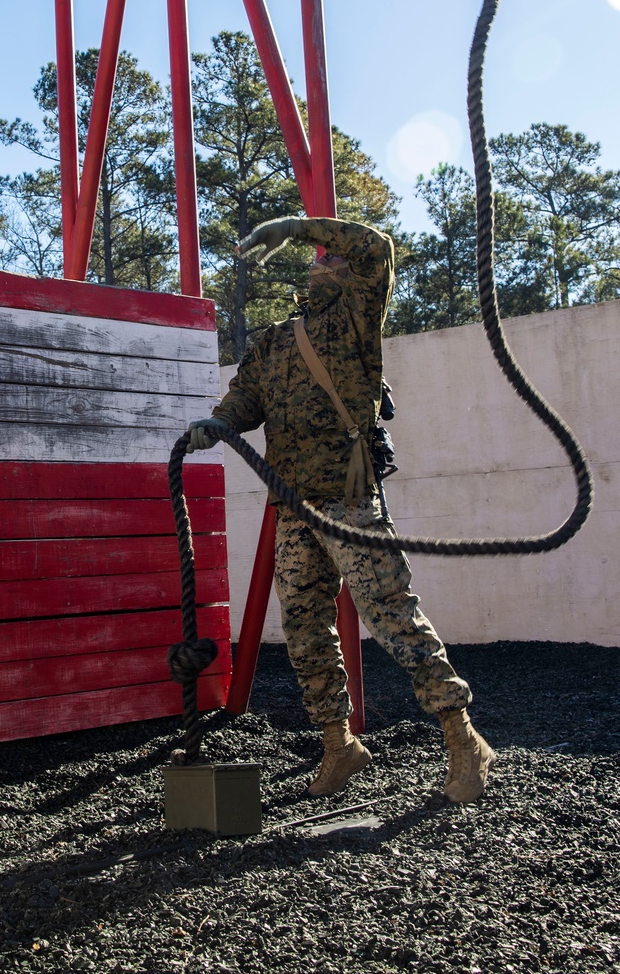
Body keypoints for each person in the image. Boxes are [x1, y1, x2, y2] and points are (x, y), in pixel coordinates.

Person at [187, 215, 494, 803]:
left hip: (348, 499)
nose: (323, 258)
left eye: (332, 254)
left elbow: (377, 245)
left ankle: (463, 738)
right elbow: (245, 396)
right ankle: (339, 746)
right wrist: (217, 423)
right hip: (295, 504)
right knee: (304, 629)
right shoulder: (276, 338)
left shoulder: (356, 320)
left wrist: (296, 226)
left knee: (393, 618)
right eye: (318, 254)